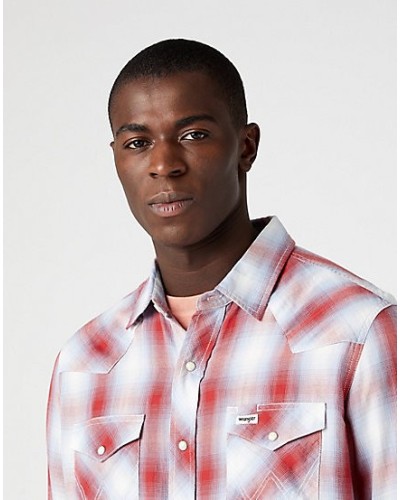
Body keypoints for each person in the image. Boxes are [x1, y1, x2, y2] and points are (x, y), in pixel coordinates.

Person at [46, 39, 396, 499]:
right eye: (138, 143)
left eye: (193, 135)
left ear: (246, 147)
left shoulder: (357, 332)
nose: (164, 165)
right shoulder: (84, 364)